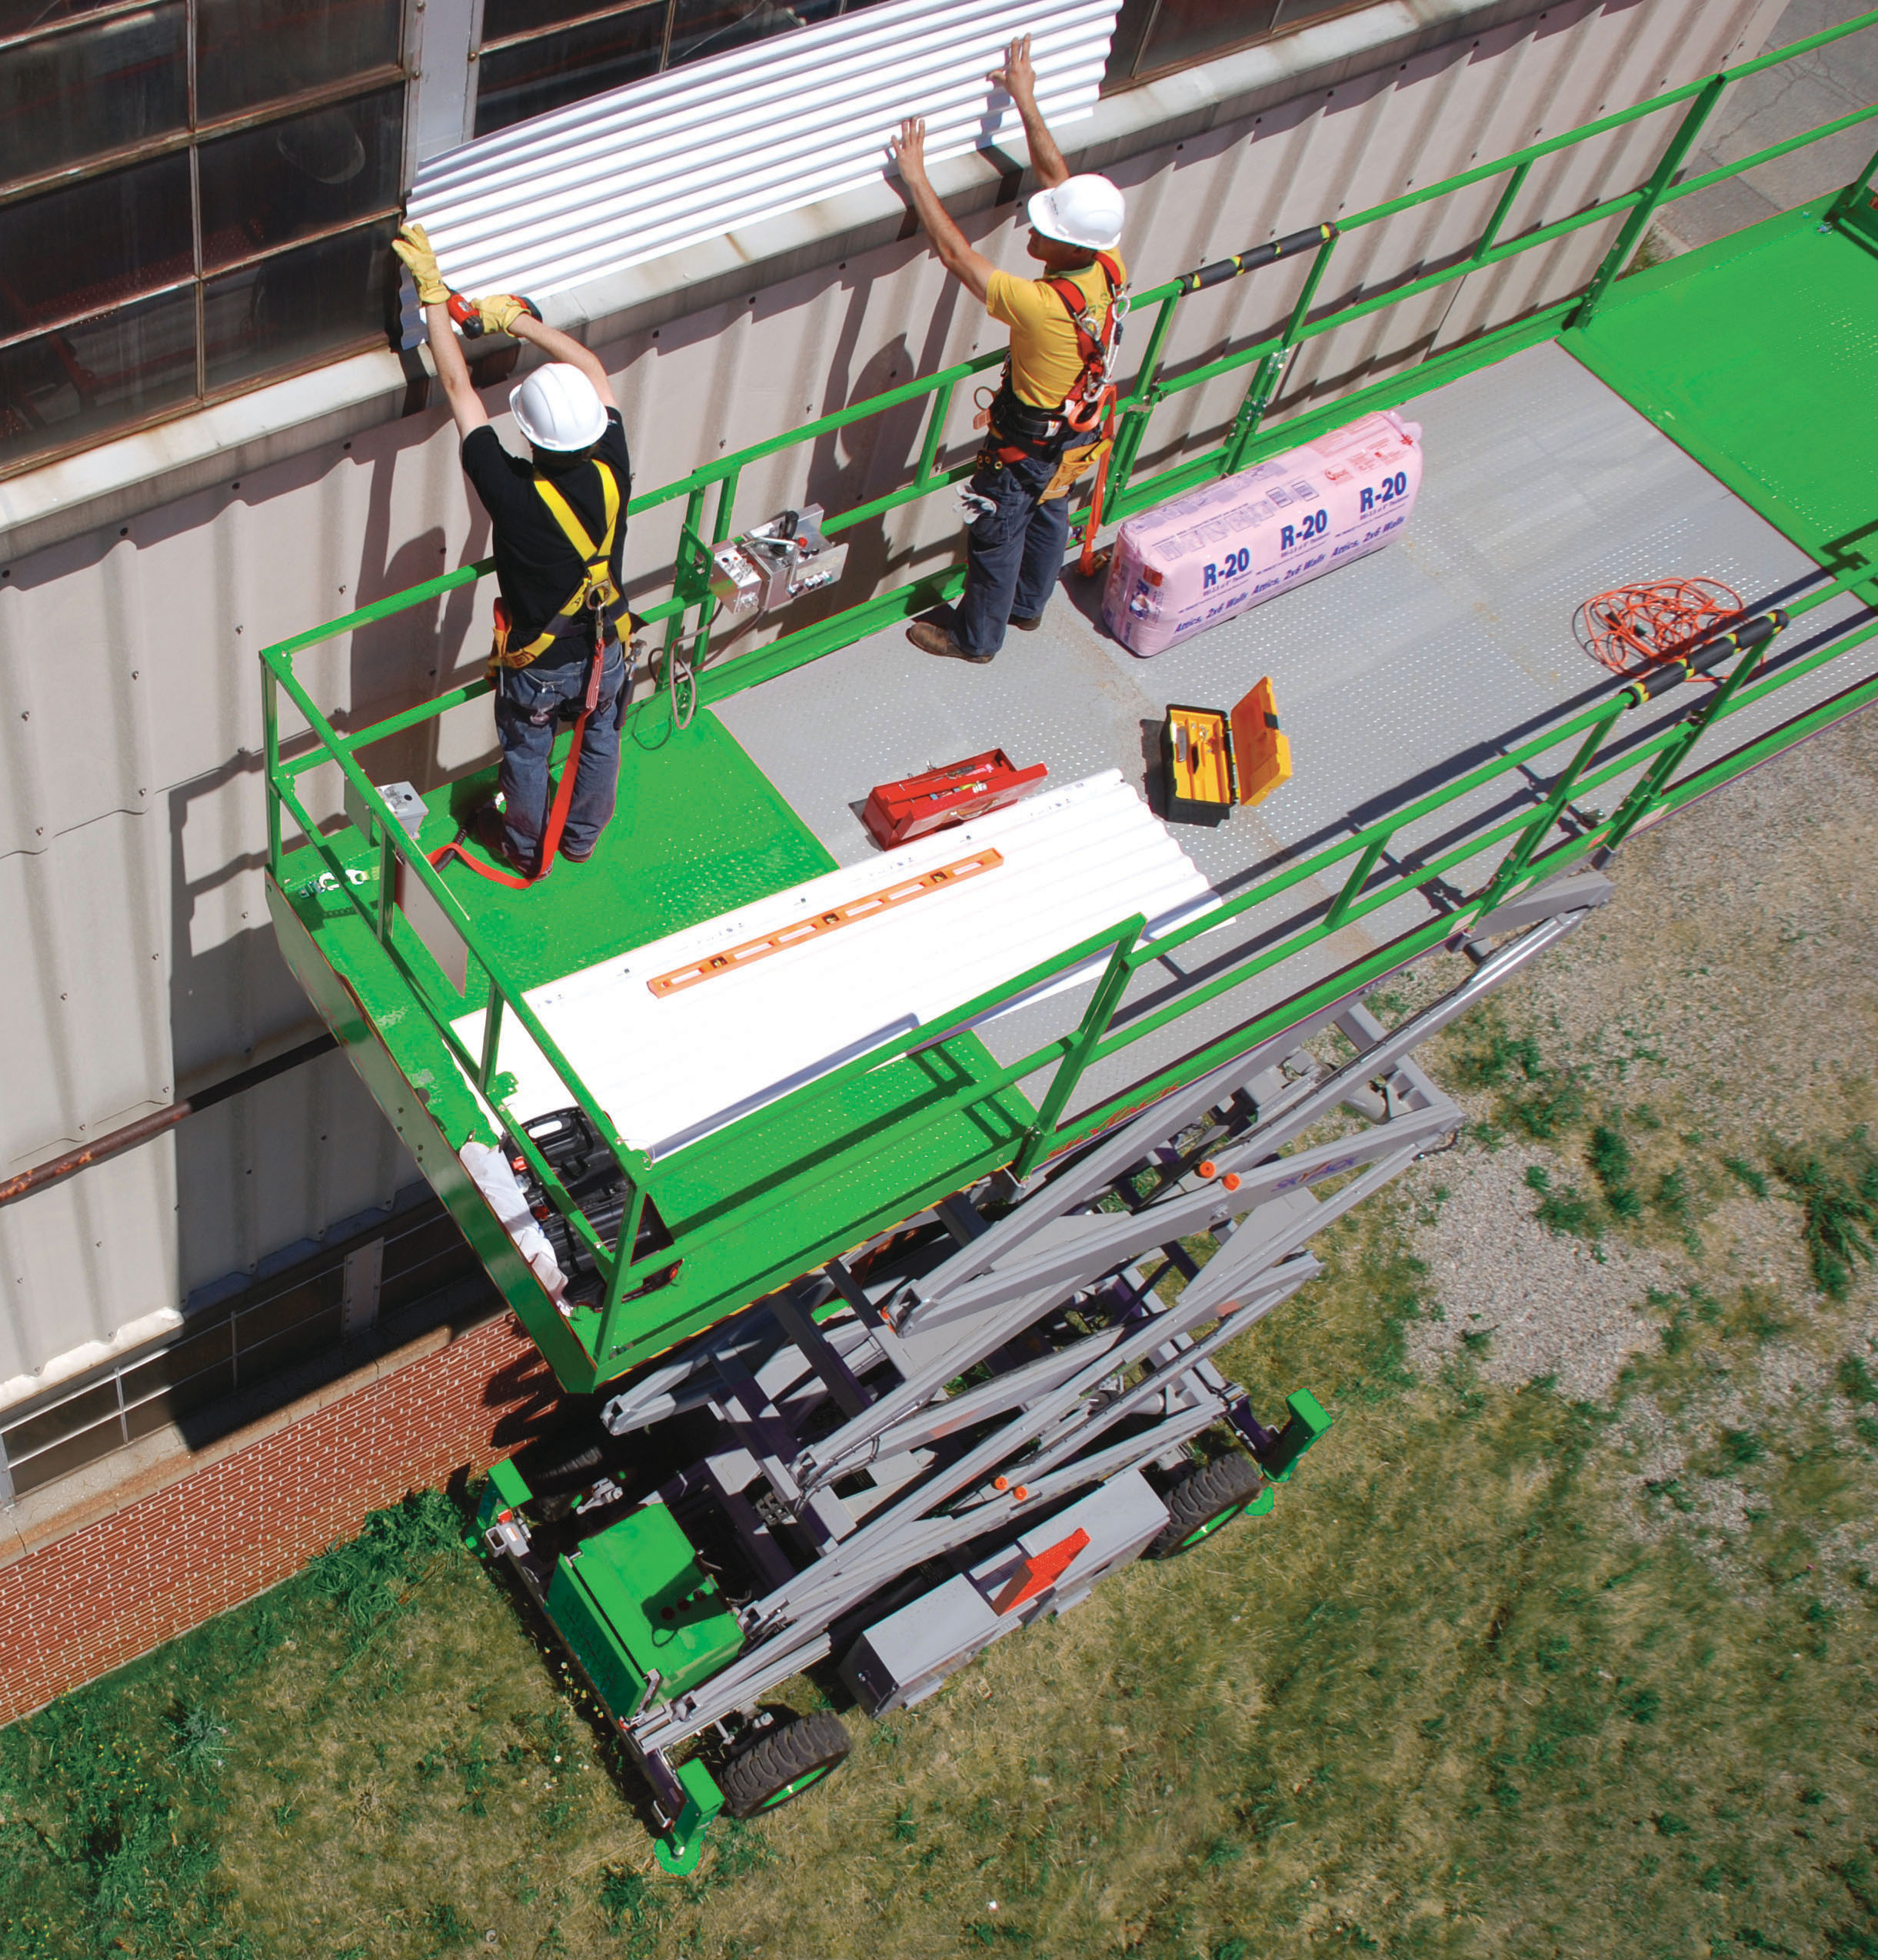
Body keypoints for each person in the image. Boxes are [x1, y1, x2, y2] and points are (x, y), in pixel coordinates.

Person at [392, 221, 634, 878]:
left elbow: (457, 388)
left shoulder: (515, 495)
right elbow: (592, 370)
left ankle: (529, 849)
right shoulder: (614, 462)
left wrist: (432, 294)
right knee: (600, 735)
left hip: (542, 664)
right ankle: (580, 837)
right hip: (607, 645)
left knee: (530, 754)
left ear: (528, 435)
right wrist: (519, 322)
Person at [891, 35, 1127, 665]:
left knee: (997, 533)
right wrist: (1025, 97)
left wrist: (917, 179)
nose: (1033, 231)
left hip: (1026, 447)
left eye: (1046, 233)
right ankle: (1027, 608)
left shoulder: (1042, 306)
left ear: (1071, 247)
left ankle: (976, 638)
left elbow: (956, 257)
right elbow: (1060, 179)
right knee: (1051, 517)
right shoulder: (1104, 267)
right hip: (1077, 433)